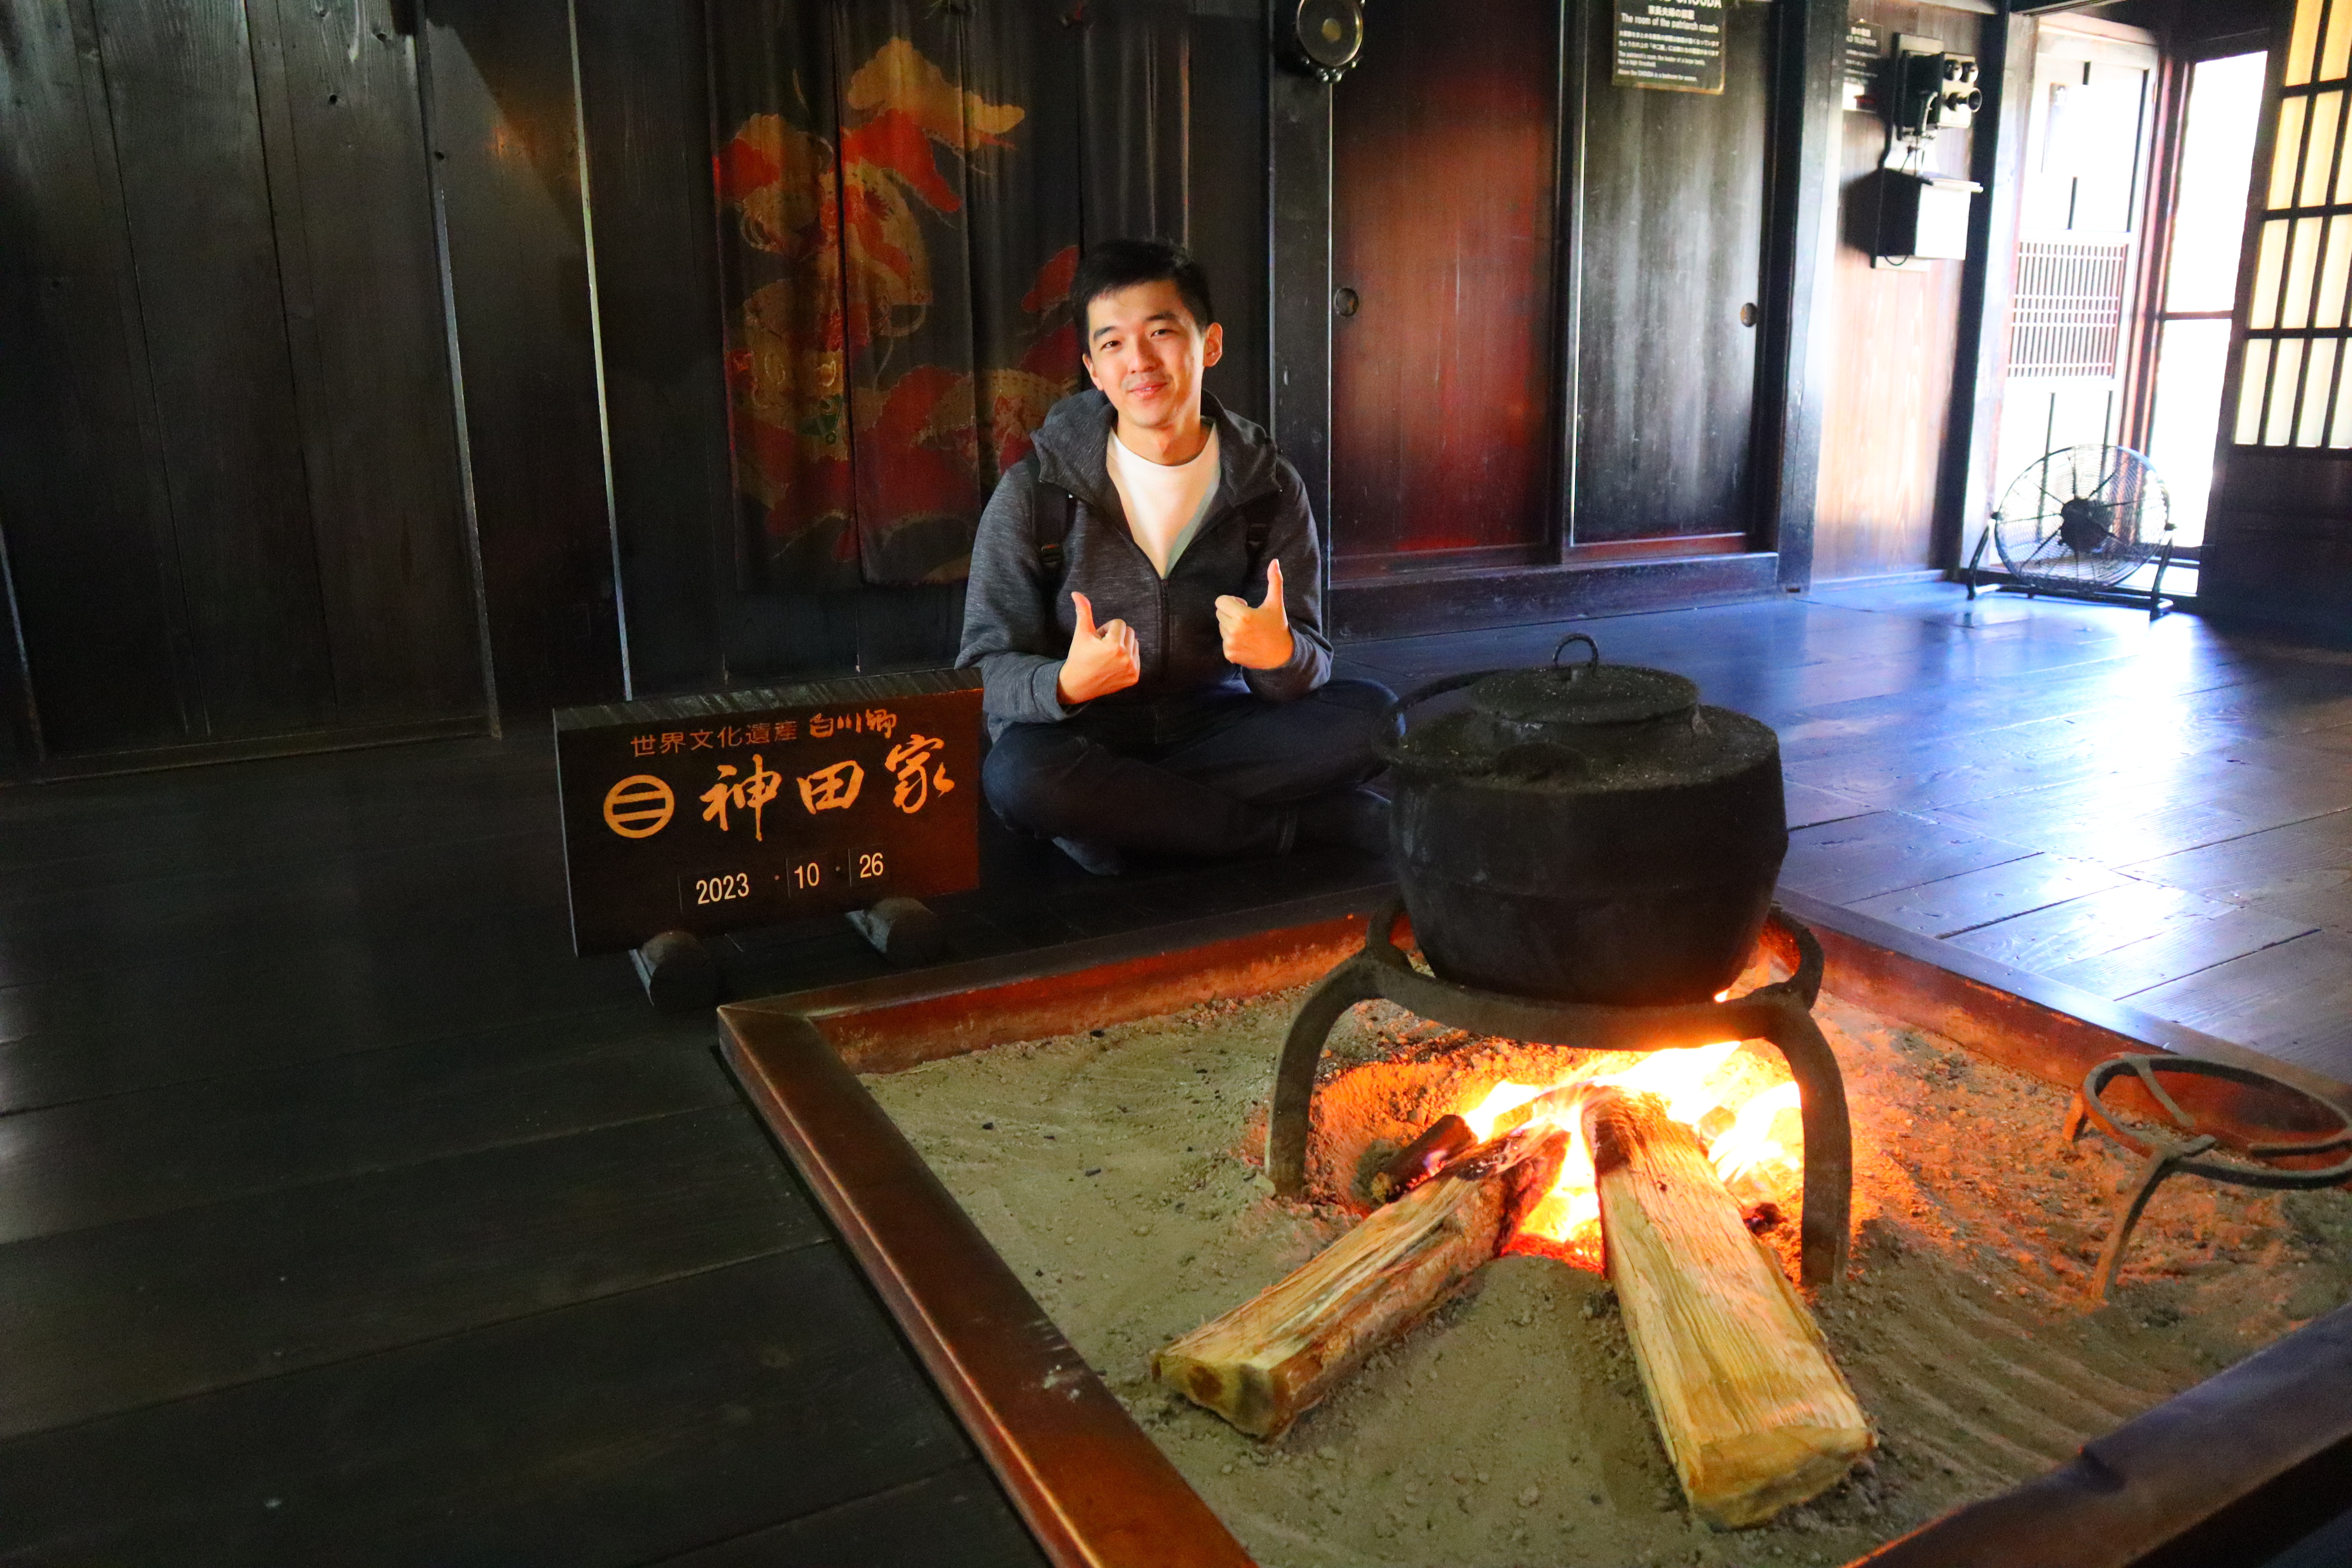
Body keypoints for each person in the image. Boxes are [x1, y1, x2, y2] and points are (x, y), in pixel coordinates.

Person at [956, 238, 1392, 875]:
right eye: (1112, 344)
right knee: (1020, 775)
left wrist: (1281, 656)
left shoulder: (1267, 486)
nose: (1139, 361)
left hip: (1215, 726)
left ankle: (1131, 822)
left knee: (1378, 718)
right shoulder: (1036, 491)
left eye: (1160, 332)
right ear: (1095, 369)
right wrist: (1065, 683)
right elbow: (981, 670)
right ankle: (1290, 827)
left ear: (1208, 343)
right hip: (1086, 737)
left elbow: (1309, 663)